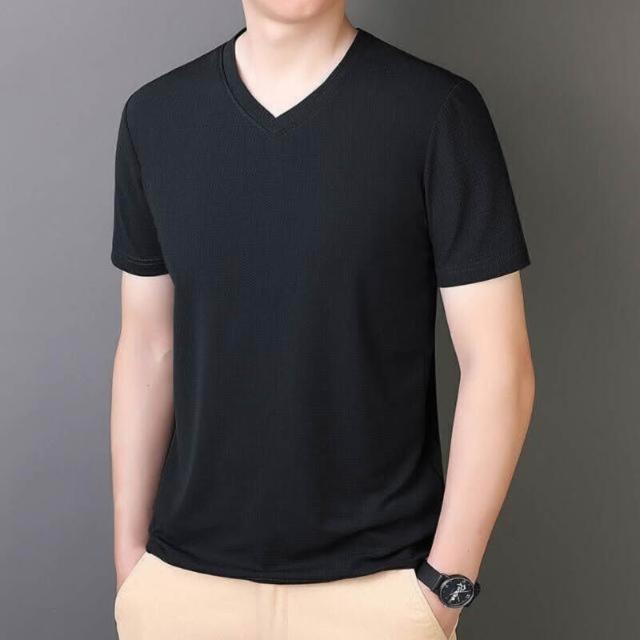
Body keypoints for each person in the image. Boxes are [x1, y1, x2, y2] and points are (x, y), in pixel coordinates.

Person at [109, 1, 535, 639]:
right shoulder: (155, 117)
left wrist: (444, 586)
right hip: (184, 591)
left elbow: (499, 367)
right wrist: (131, 563)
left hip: (379, 596)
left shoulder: (437, 112)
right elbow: (148, 345)